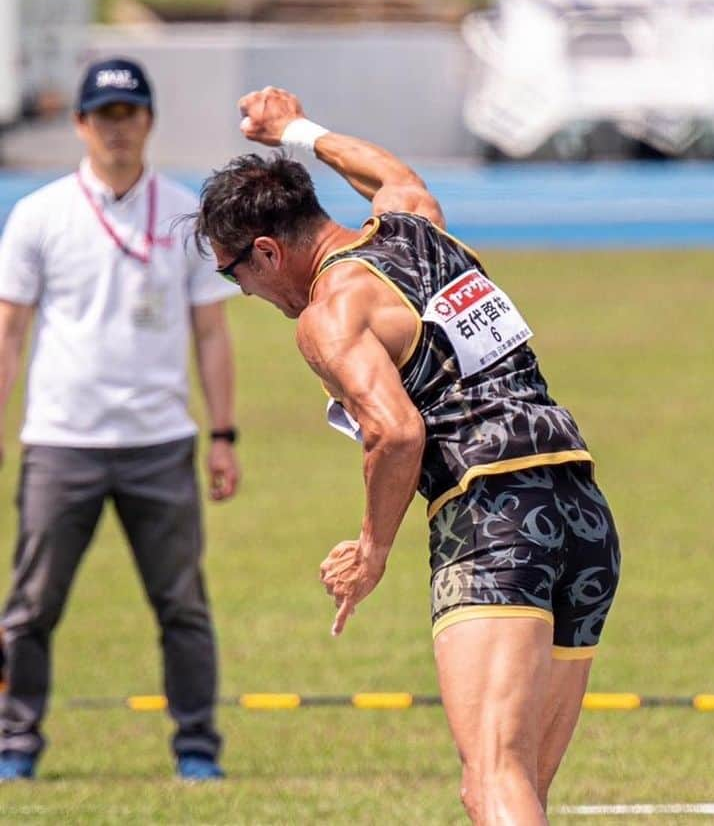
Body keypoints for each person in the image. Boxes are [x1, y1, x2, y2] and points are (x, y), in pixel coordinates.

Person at [194, 87, 620, 826]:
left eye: (234, 273)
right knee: (508, 785)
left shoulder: (331, 314)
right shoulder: (419, 227)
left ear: (267, 251)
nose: (244, 290)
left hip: (494, 518)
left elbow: (396, 433)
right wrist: (296, 128)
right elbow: (391, 174)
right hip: (581, 510)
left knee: (493, 779)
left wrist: (372, 548)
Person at [0, 58, 239, 783]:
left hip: (159, 443)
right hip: (61, 441)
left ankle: (196, 747)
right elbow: (9, 330)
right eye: (104, 115)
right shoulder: (39, 214)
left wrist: (223, 433)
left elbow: (211, 332)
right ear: (80, 124)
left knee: (182, 606)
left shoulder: (184, 211)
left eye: (129, 114)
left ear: (149, 122)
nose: (117, 129)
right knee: (31, 607)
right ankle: (16, 744)